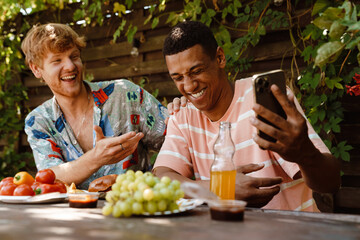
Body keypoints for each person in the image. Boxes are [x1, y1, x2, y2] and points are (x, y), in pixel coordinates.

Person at [153, 21, 341, 211]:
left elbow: (330, 184)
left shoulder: (263, 100)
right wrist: (218, 189)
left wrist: (305, 154)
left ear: (220, 58)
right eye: (178, 78)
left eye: (197, 71)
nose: (189, 86)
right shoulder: (182, 116)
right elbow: (161, 176)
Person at [22, 23, 168, 189]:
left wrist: (186, 114)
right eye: (57, 60)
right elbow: (49, 178)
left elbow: (178, 142)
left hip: (136, 209)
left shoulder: (125, 95)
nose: (70, 66)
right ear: (36, 69)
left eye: (74, 56)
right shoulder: (38, 121)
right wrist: (97, 157)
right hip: (73, 213)